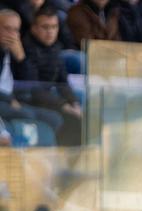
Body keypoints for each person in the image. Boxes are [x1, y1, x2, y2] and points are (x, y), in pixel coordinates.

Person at [19, 6, 82, 146]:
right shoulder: (27, 48)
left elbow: (63, 81)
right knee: (72, 121)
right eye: (45, 27)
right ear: (34, 28)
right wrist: (64, 106)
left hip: (50, 99)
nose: (50, 32)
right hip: (32, 100)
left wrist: (74, 103)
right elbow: (33, 89)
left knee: (87, 115)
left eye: (54, 27)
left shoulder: (55, 47)